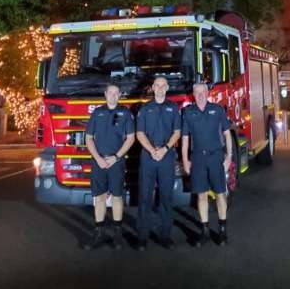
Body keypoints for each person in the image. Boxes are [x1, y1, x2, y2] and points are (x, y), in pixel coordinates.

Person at [84, 82, 135, 249]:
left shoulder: (125, 113)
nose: (113, 96)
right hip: (98, 162)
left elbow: (131, 138)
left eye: (116, 93)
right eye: (110, 93)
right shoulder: (97, 113)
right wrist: (98, 158)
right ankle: (99, 233)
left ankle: (117, 234)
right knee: (99, 197)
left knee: (117, 197)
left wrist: (116, 157)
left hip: (116, 162)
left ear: (120, 95)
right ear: (105, 94)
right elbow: (89, 138)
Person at [181, 82, 232, 247]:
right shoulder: (188, 112)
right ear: (193, 95)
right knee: (201, 195)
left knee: (219, 194)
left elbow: (227, 134)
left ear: (208, 93)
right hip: (198, 159)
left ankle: (222, 230)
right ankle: (205, 231)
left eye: (203, 92)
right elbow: (185, 138)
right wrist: (185, 160)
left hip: (216, 157)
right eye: (197, 92)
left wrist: (229, 156)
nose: (200, 95)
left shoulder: (217, 110)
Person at [136, 76, 181, 250]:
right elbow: (140, 133)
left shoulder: (173, 108)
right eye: (157, 85)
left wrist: (164, 149)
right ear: (153, 88)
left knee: (166, 197)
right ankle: (142, 235)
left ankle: (165, 235)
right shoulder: (145, 109)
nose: (160, 88)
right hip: (148, 157)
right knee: (145, 196)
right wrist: (152, 150)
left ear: (167, 88)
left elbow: (177, 132)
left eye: (163, 85)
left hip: (167, 156)